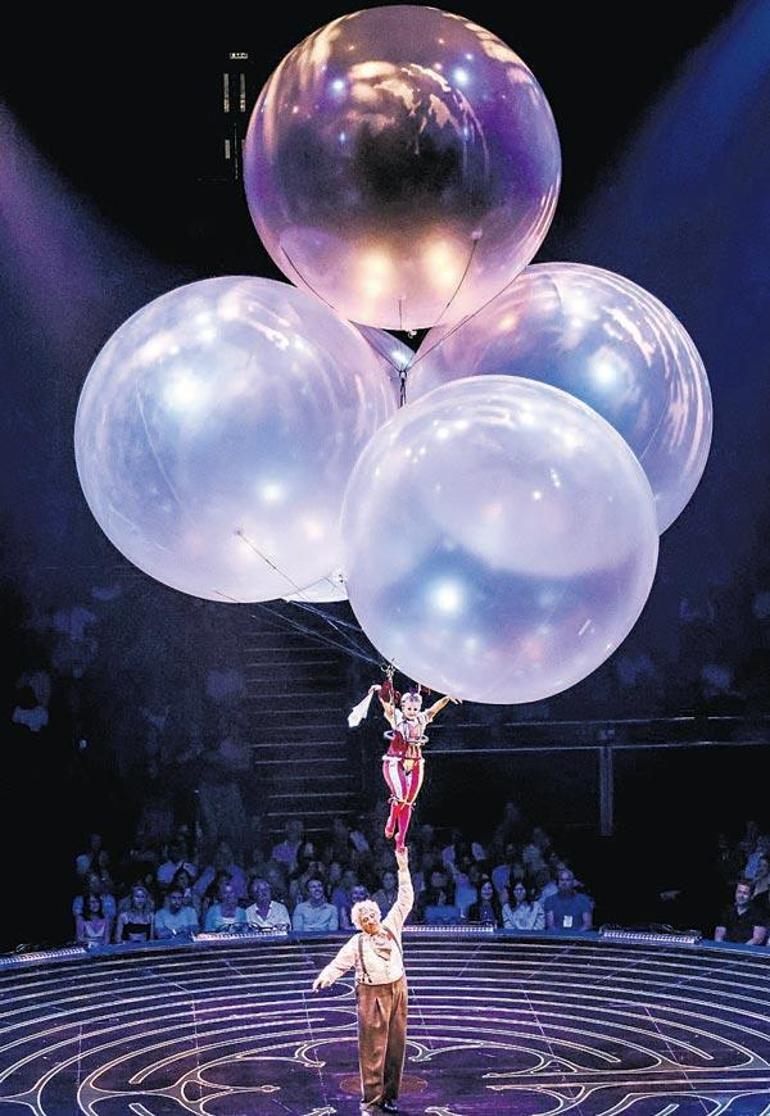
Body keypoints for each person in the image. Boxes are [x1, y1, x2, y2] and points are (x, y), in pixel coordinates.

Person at [313, 846, 413, 1114]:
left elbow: (405, 899)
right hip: (372, 995)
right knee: (372, 1050)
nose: (369, 919)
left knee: (395, 1045)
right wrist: (326, 977)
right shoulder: (356, 942)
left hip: (398, 989)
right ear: (358, 922)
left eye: (371, 914)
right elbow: (340, 962)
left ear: (378, 914)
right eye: (363, 917)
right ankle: (371, 1101)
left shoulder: (391, 926)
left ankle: (391, 1096)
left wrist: (402, 866)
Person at [373, 679, 460, 852]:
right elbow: (387, 705)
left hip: (415, 763)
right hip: (395, 762)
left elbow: (435, 709)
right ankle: (391, 822)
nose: (412, 712)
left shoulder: (421, 719)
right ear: (403, 707)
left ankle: (401, 841)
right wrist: (381, 691)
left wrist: (448, 697)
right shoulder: (397, 718)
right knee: (401, 795)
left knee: (409, 801)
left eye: (415, 709)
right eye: (409, 709)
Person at [714, 880, 767, 945]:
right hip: (726, 948)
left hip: (746, 951)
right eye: (739, 892)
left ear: (751, 896)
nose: (741, 896)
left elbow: (757, 939)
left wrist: (740, 950)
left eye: (745, 893)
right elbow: (719, 935)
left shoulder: (759, 914)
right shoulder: (727, 911)